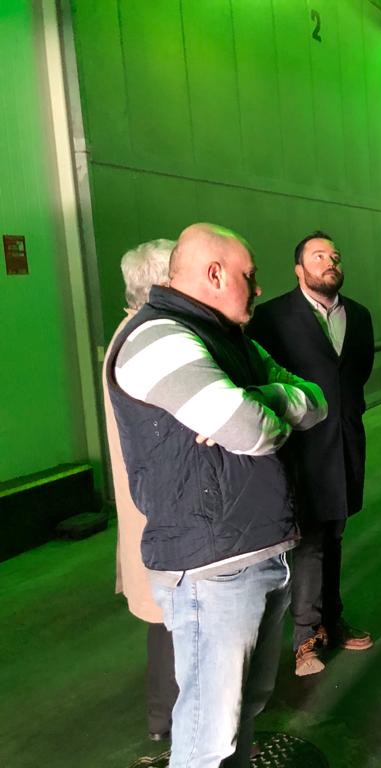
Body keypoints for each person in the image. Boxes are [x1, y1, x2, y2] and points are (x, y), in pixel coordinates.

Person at [107, 223, 327, 767]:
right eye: (249, 276)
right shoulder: (158, 338)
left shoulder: (229, 338)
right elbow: (253, 430)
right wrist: (260, 408)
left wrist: (256, 394)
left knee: (243, 711)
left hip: (257, 550)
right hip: (213, 566)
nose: (258, 288)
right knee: (210, 735)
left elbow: (316, 402)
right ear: (215, 273)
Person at [247, 231, 376, 677]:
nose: (330, 261)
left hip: (345, 443)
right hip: (300, 450)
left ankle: (332, 619)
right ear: (299, 269)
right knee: (309, 541)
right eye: (319, 256)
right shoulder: (272, 318)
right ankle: (305, 637)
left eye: (335, 255)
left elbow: (356, 375)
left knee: (335, 534)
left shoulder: (358, 316)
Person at [102, 239, 178, 741]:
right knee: (172, 620)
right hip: (161, 510)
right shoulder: (148, 340)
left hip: (151, 505)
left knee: (167, 618)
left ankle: (164, 718)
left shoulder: (131, 332)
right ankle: (171, 721)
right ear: (164, 283)